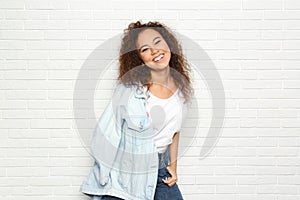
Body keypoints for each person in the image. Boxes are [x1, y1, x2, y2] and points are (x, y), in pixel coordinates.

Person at [80, 21, 193, 200]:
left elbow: (175, 131)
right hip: (127, 174)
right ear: (139, 58)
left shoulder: (181, 89)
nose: (155, 51)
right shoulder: (129, 91)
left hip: (159, 172)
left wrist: (173, 166)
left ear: (168, 44)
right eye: (145, 49)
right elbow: (105, 134)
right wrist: (104, 179)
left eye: (158, 42)